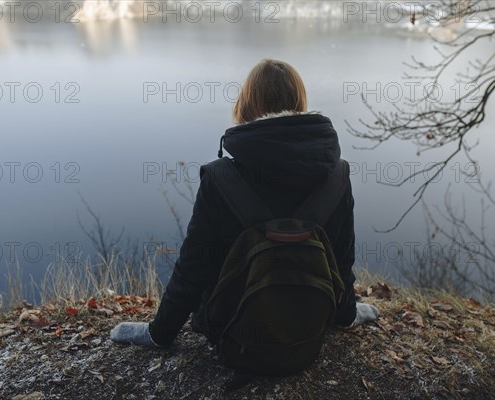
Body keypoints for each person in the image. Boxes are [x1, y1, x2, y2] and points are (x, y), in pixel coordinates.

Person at [110, 59, 378, 348]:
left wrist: (159, 333)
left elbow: (193, 267)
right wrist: (346, 314)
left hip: (231, 329)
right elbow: (341, 258)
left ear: (247, 104)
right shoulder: (338, 175)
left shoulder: (220, 178)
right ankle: (337, 314)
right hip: (311, 321)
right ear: (300, 102)